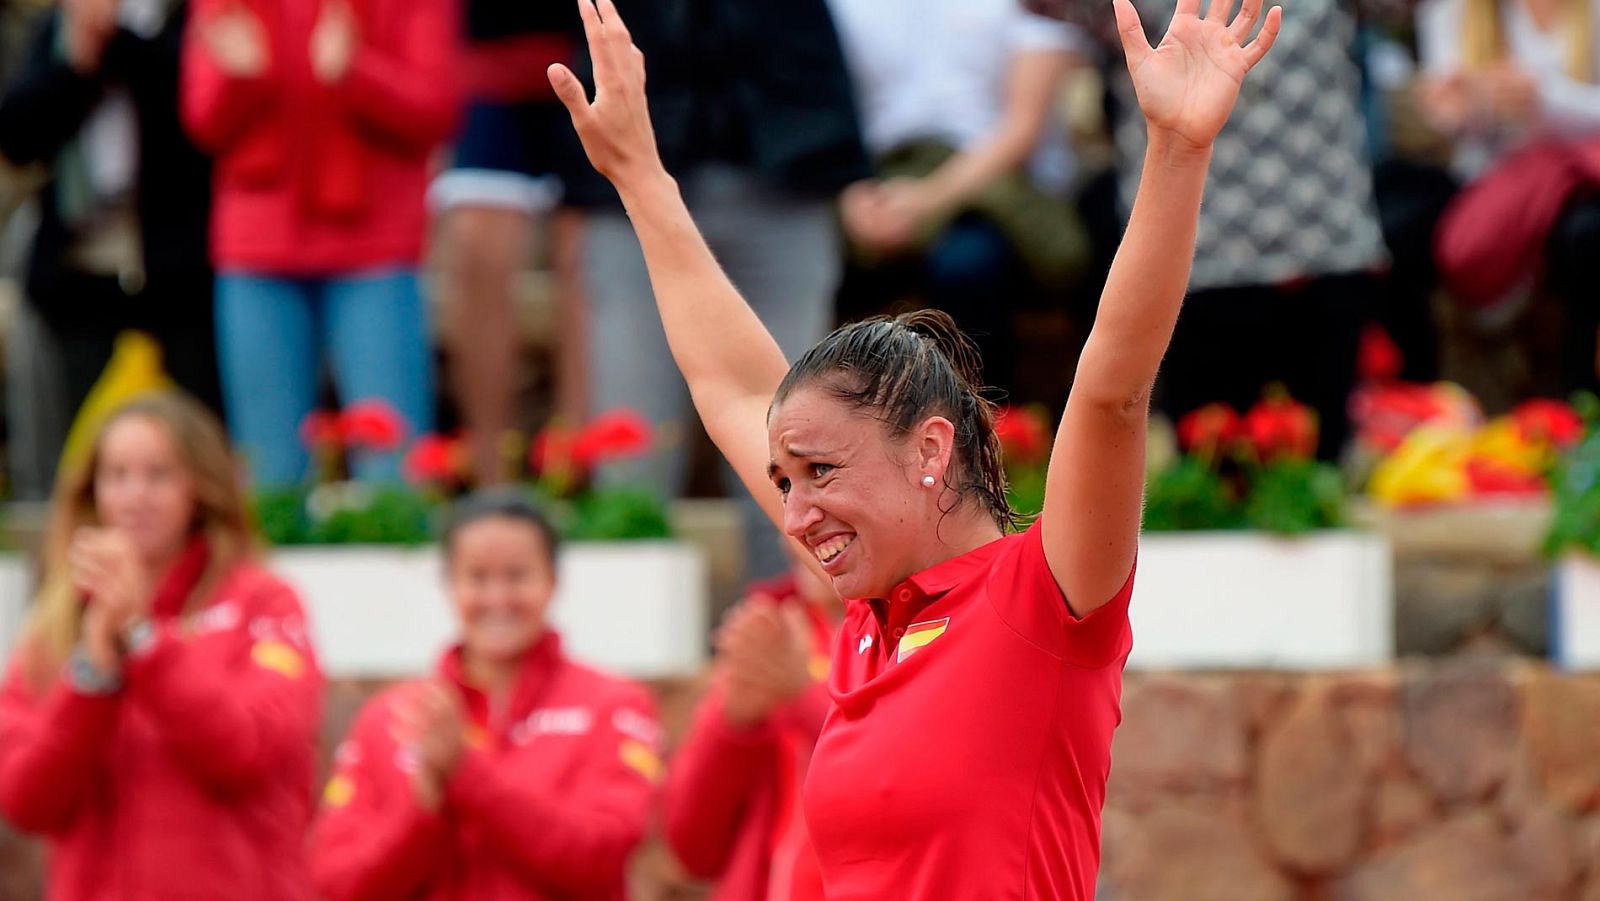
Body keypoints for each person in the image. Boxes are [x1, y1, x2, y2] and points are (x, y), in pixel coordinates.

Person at [547, 0, 1279, 895]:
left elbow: (1114, 389)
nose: (795, 509)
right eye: (783, 478)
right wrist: (641, 177)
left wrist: (1177, 151)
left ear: (930, 449)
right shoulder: (869, 624)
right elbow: (731, 387)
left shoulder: (1046, 596)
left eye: (820, 472)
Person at [572, 0, 870, 586]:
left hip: (788, 178)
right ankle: (629, 652)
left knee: (793, 434)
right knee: (632, 445)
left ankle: (792, 647)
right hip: (623, 187)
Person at [0, 391, 324, 899]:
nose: (135, 495)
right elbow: (25, 799)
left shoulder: (264, 602)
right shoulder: (56, 624)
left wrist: (144, 641)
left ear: (200, 486)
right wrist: (92, 675)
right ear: (93, 492)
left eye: (158, 474)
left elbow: (245, 753)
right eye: (117, 475)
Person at [309, 491, 663, 901]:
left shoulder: (614, 706)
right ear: (449, 583)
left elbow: (601, 857)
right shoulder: (389, 717)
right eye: (477, 577)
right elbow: (335, 882)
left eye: (517, 575)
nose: (498, 598)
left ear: (552, 581)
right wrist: (422, 811)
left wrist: (467, 775)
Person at [180, 0, 458, 486]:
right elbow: (202, 120)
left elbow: (435, 109)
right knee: (271, 470)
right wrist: (239, 77)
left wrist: (357, 72)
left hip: (374, 245)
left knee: (393, 466)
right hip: (258, 249)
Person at [0, 0, 223, 493]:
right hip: (81, 272)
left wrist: (116, 41)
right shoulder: (60, 26)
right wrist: (76, 63)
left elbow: (201, 114)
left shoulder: (191, 18)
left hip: (178, 279)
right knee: (83, 457)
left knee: (191, 448)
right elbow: (17, 133)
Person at [828, 0, 1091, 400]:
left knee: (967, 269)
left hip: (991, 189)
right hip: (873, 180)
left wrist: (925, 200)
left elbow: (1022, 129)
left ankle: (993, 430)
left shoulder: (1026, 9)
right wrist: (851, 196)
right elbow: (818, 106)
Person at [431, 0, 589, 480]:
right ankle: (489, 472)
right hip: (483, 68)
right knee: (477, 253)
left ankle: (576, 468)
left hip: (594, 58)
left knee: (589, 263)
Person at [1416, 0, 1600, 392]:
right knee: (1407, 221)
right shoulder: (1451, 11)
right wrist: (1462, 111)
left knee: (1585, 234)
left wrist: (1544, 98)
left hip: (1580, 183)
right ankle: (1437, 402)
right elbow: (1462, 138)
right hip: (1494, 187)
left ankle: (1579, 400)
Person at [663, 547, 841, 900]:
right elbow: (693, 851)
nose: (802, 515)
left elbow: (914, 793)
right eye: (786, 491)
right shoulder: (768, 636)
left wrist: (804, 697)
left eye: (826, 487)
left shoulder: (929, 636)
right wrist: (733, 729)